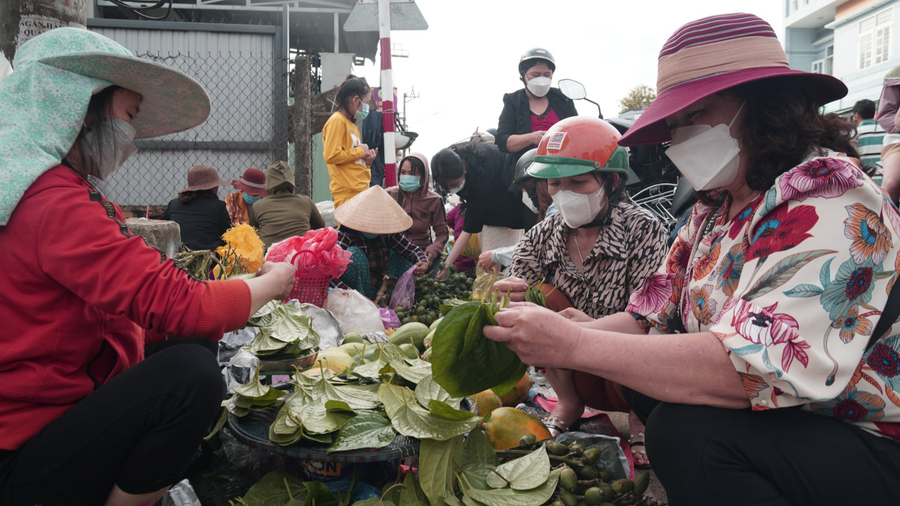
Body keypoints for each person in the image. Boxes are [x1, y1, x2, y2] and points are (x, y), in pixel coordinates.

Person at [483, 13, 900, 506]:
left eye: (693, 115)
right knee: (653, 391)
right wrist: (547, 333)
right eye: (673, 124)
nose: (678, 136)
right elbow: (647, 317)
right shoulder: (714, 210)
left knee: (689, 434)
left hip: (857, 434)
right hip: (777, 420)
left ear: (764, 105)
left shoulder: (831, 195)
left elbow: (754, 365)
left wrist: (573, 343)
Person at [0, 28, 294, 506]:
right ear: (82, 106)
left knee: (190, 342)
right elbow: (184, 305)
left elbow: (127, 311)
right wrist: (273, 283)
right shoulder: (49, 202)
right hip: (21, 453)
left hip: (55, 413)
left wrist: (222, 300)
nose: (131, 135)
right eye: (128, 115)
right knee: (193, 375)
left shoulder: (38, 190)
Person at [493, 118, 667, 469]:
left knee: (657, 329)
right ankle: (568, 402)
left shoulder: (643, 229)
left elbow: (651, 317)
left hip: (628, 365)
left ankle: (638, 419)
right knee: (535, 295)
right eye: (556, 184)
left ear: (611, 181)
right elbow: (519, 282)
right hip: (573, 370)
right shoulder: (543, 234)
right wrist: (506, 296)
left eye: (578, 182)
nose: (566, 193)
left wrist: (582, 329)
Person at [496, 47, 578, 229]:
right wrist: (531, 137)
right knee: (536, 228)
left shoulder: (563, 98)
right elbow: (502, 141)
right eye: (535, 74)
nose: (542, 78)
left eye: (547, 74)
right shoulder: (513, 101)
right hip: (531, 180)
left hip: (565, 173)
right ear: (524, 75)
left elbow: (576, 129)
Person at [431, 142, 527, 279]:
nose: (452, 190)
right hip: (492, 206)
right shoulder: (451, 160)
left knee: (497, 262)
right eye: (447, 188)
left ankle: (498, 293)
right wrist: (447, 265)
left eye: (454, 185)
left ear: (464, 169)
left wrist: (447, 264)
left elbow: (469, 227)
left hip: (509, 201)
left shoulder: (481, 174)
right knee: (492, 265)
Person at [331, 185, 428, 300]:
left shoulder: (387, 231)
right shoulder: (346, 234)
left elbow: (410, 249)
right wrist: (358, 297)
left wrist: (422, 261)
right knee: (353, 254)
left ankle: (391, 299)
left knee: (405, 260)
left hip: (381, 284)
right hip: (354, 292)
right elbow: (328, 274)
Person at [478, 148, 558, 273]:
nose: (523, 195)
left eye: (524, 189)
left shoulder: (558, 209)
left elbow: (537, 246)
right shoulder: (550, 211)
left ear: (536, 185)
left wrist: (496, 255)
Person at [386, 153, 449, 271]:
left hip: (423, 253)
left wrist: (433, 250)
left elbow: (442, 234)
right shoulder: (389, 195)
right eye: (403, 173)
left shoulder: (434, 200)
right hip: (394, 253)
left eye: (412, 173)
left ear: (423, 176)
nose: (406, 177)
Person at [323, 75, 378, 208]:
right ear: (355, 100)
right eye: (366, 102)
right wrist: (360, 151)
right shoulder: (337, 120)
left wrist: (367, 162)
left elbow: (352, 160)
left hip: (359, 191)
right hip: (347, 195)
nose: (367, 107)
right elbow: (331, 156)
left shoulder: (352, 126)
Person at [249, 161, 325, 249]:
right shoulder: (306, 201)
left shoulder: (257, 206)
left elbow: (253, 235)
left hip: (269, 257)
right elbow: (321, 226)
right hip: (299, 255)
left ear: (269, 182)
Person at [162, 165, 232, 251]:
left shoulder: (173, 204)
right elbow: (229, 234)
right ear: (213, 187)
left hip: (177, 256)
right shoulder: (218, 206)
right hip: (209, 259)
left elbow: (163, 228)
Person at [877, 65, 900, 202]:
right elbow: (888, 116)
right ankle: (885, 219)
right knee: (892, 184)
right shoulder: (895, 75)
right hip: (898, 138)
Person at [852, 99, 885, 175]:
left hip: (867, 182)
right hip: (887, 180)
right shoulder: (886, 130)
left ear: (857, 115)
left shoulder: (854, 133)